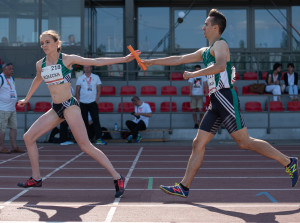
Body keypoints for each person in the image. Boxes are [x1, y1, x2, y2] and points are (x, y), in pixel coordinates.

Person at [142, 9, 299, 198]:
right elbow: (179, 59)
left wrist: (194, 74)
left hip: (225, 96)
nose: (203, 27)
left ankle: (289, 162)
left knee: (244, 142)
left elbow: (220, 66)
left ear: (216, 27)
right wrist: (151, 62)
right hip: (215, 101)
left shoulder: (221, 45)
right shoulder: (205, 51)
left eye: (206, 24)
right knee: (197, 143)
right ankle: (184, 186)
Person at [16, 30, 139, 198]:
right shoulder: (40, 64)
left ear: (57, 43)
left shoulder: (67, 59)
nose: (44, 45)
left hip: (69, 106)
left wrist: (123, 59)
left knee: (85, 145)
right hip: (56, 108)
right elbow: (38, 79)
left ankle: (117, 177)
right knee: (28, 137)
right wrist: (27, 98)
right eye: (42, 42)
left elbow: (96, 61)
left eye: (47, 42)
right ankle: (36, 178)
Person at [76, 65, 107, 145]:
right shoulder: (80, 78)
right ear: (83, 68)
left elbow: (99, 90)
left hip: (93, 103)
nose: (87, 68)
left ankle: (99, 139)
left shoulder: (96, 77)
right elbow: (77, 91)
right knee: (84, 122)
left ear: (91, 68)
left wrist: (96, 100)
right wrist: (78, 101)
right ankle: (86, 140)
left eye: (88, 67)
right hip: (83, 103)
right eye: (85, 67)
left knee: (96, 121)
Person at [0, 63, 24, 154]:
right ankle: (1, 147)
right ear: (4, 70)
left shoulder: (12, 78)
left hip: (12, 109)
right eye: (10, 69)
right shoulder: (1, 78)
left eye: (12, 69)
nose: (12, 70)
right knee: (1, 129)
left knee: (13, 128)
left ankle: (14, 147)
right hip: (3, 109)